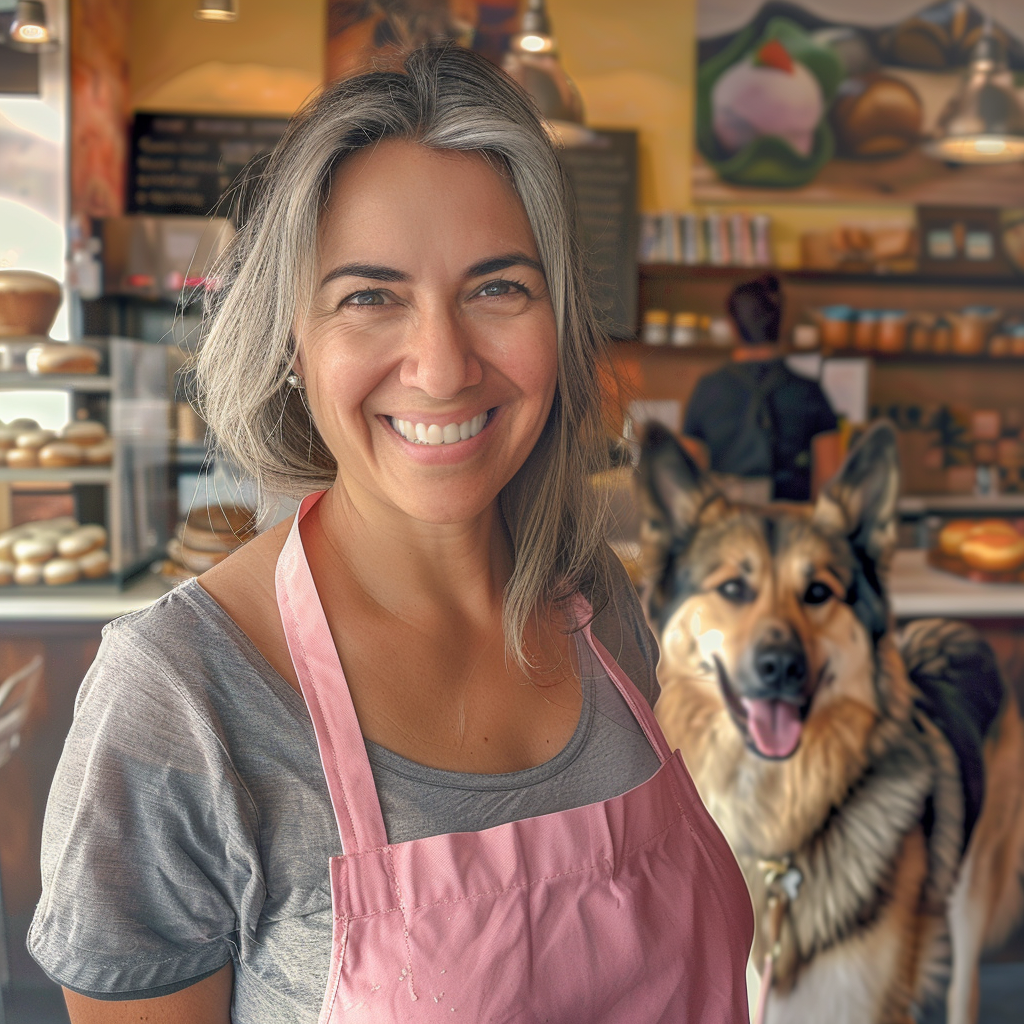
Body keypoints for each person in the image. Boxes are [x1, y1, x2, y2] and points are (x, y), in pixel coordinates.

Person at [28, 44, 752, 1024]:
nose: (443, 365)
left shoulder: (591, 601)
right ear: (293, 340)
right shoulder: (178, 700)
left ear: (559, 315)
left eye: (498, 287)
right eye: (370, 296)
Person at [682, 274, 841, 502]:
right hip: (790, 526)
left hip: (727, 527)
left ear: (732, 323)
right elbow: (828, 482)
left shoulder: (707, 390)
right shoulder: (811, 392)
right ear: (780, 322)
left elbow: (687, 481)